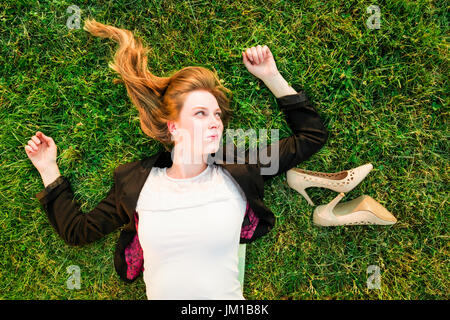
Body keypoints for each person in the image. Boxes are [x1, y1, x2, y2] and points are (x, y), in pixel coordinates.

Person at [24, 19, 328, 299]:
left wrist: (271, 76)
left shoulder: (240, 166)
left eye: (217, 115)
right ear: (173, 126)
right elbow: (79, 231)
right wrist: (48, 168)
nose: (215, 123)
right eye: (200, 113)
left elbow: (310, 137)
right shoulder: (136, 182)